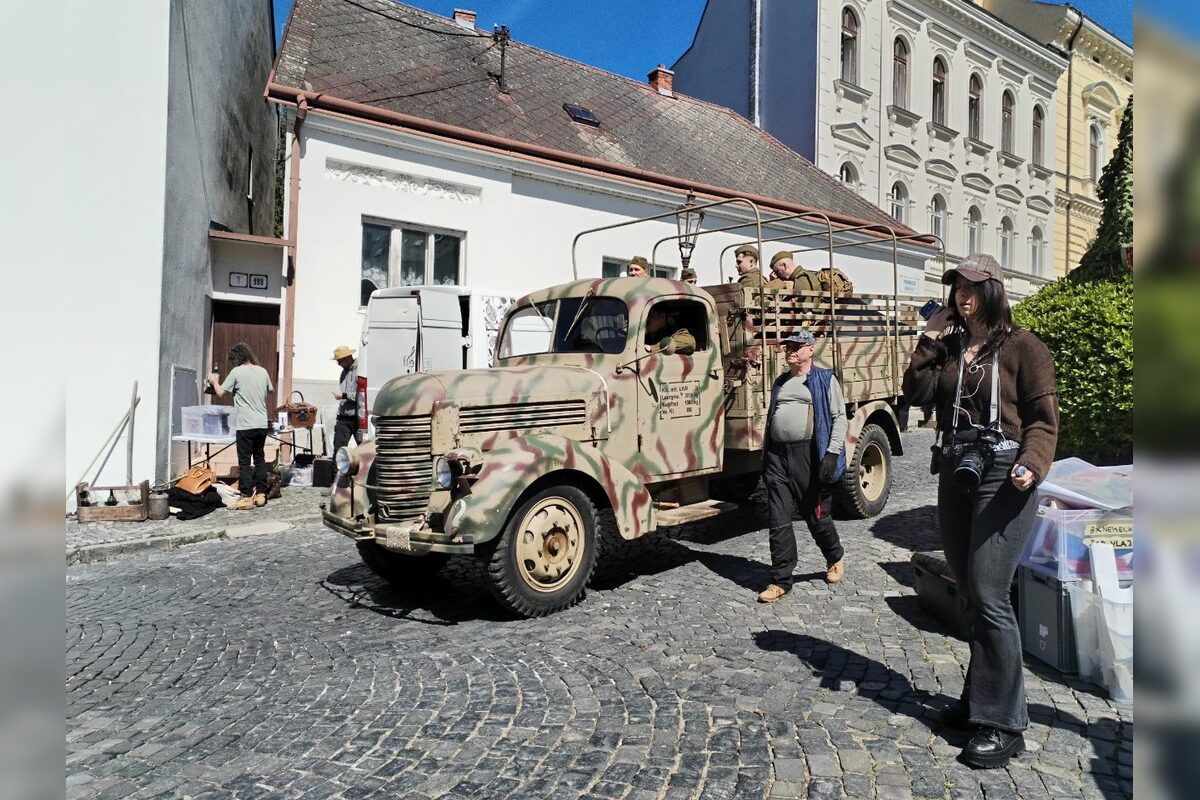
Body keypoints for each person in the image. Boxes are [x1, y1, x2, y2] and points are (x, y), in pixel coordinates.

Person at [902, 253, 1058, 769]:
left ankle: (1005, 723)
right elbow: (915, 393)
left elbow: (1043, 421)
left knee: (991, 594)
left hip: (1004, 473)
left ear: (992, 289)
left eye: (970, 288)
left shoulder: (1024, 348)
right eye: (956, 288)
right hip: (956, 468)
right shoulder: (949, 347)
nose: (961, 297)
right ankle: (979, 698)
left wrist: (1033, 464)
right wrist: (929, 337)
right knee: (968, 591)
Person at [758, 328, 847, 604]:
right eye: (788, 347)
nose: (791, 351)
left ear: (811, 349)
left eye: (797, 346)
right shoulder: (781, 381)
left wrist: (831, 455)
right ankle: (780, 579)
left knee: (815, 514)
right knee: (778, 518)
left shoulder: (824, 379)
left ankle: (835, 556)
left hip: (807, 456)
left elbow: (839, 417)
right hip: (777, 457)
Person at [207, 343, 274, 510]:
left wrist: (214, 381)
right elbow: (270, 390)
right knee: (259, 459)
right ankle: (261, 494)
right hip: (261, 423)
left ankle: (245, 497)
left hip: (245, 424)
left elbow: (221, 392)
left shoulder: (237, 372)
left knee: (244, 462)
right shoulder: (262, 371)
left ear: (235, 359)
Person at [331, 345, 362, 452]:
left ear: (348, 358)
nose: (338, 364)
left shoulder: (360, 371)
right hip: (344, 417)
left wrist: (344, 395)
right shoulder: (344, 372)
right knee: (338, 448)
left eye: (340, 361)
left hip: (358, 418)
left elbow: (362, 396)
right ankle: (337, 469)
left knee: (364, 450)